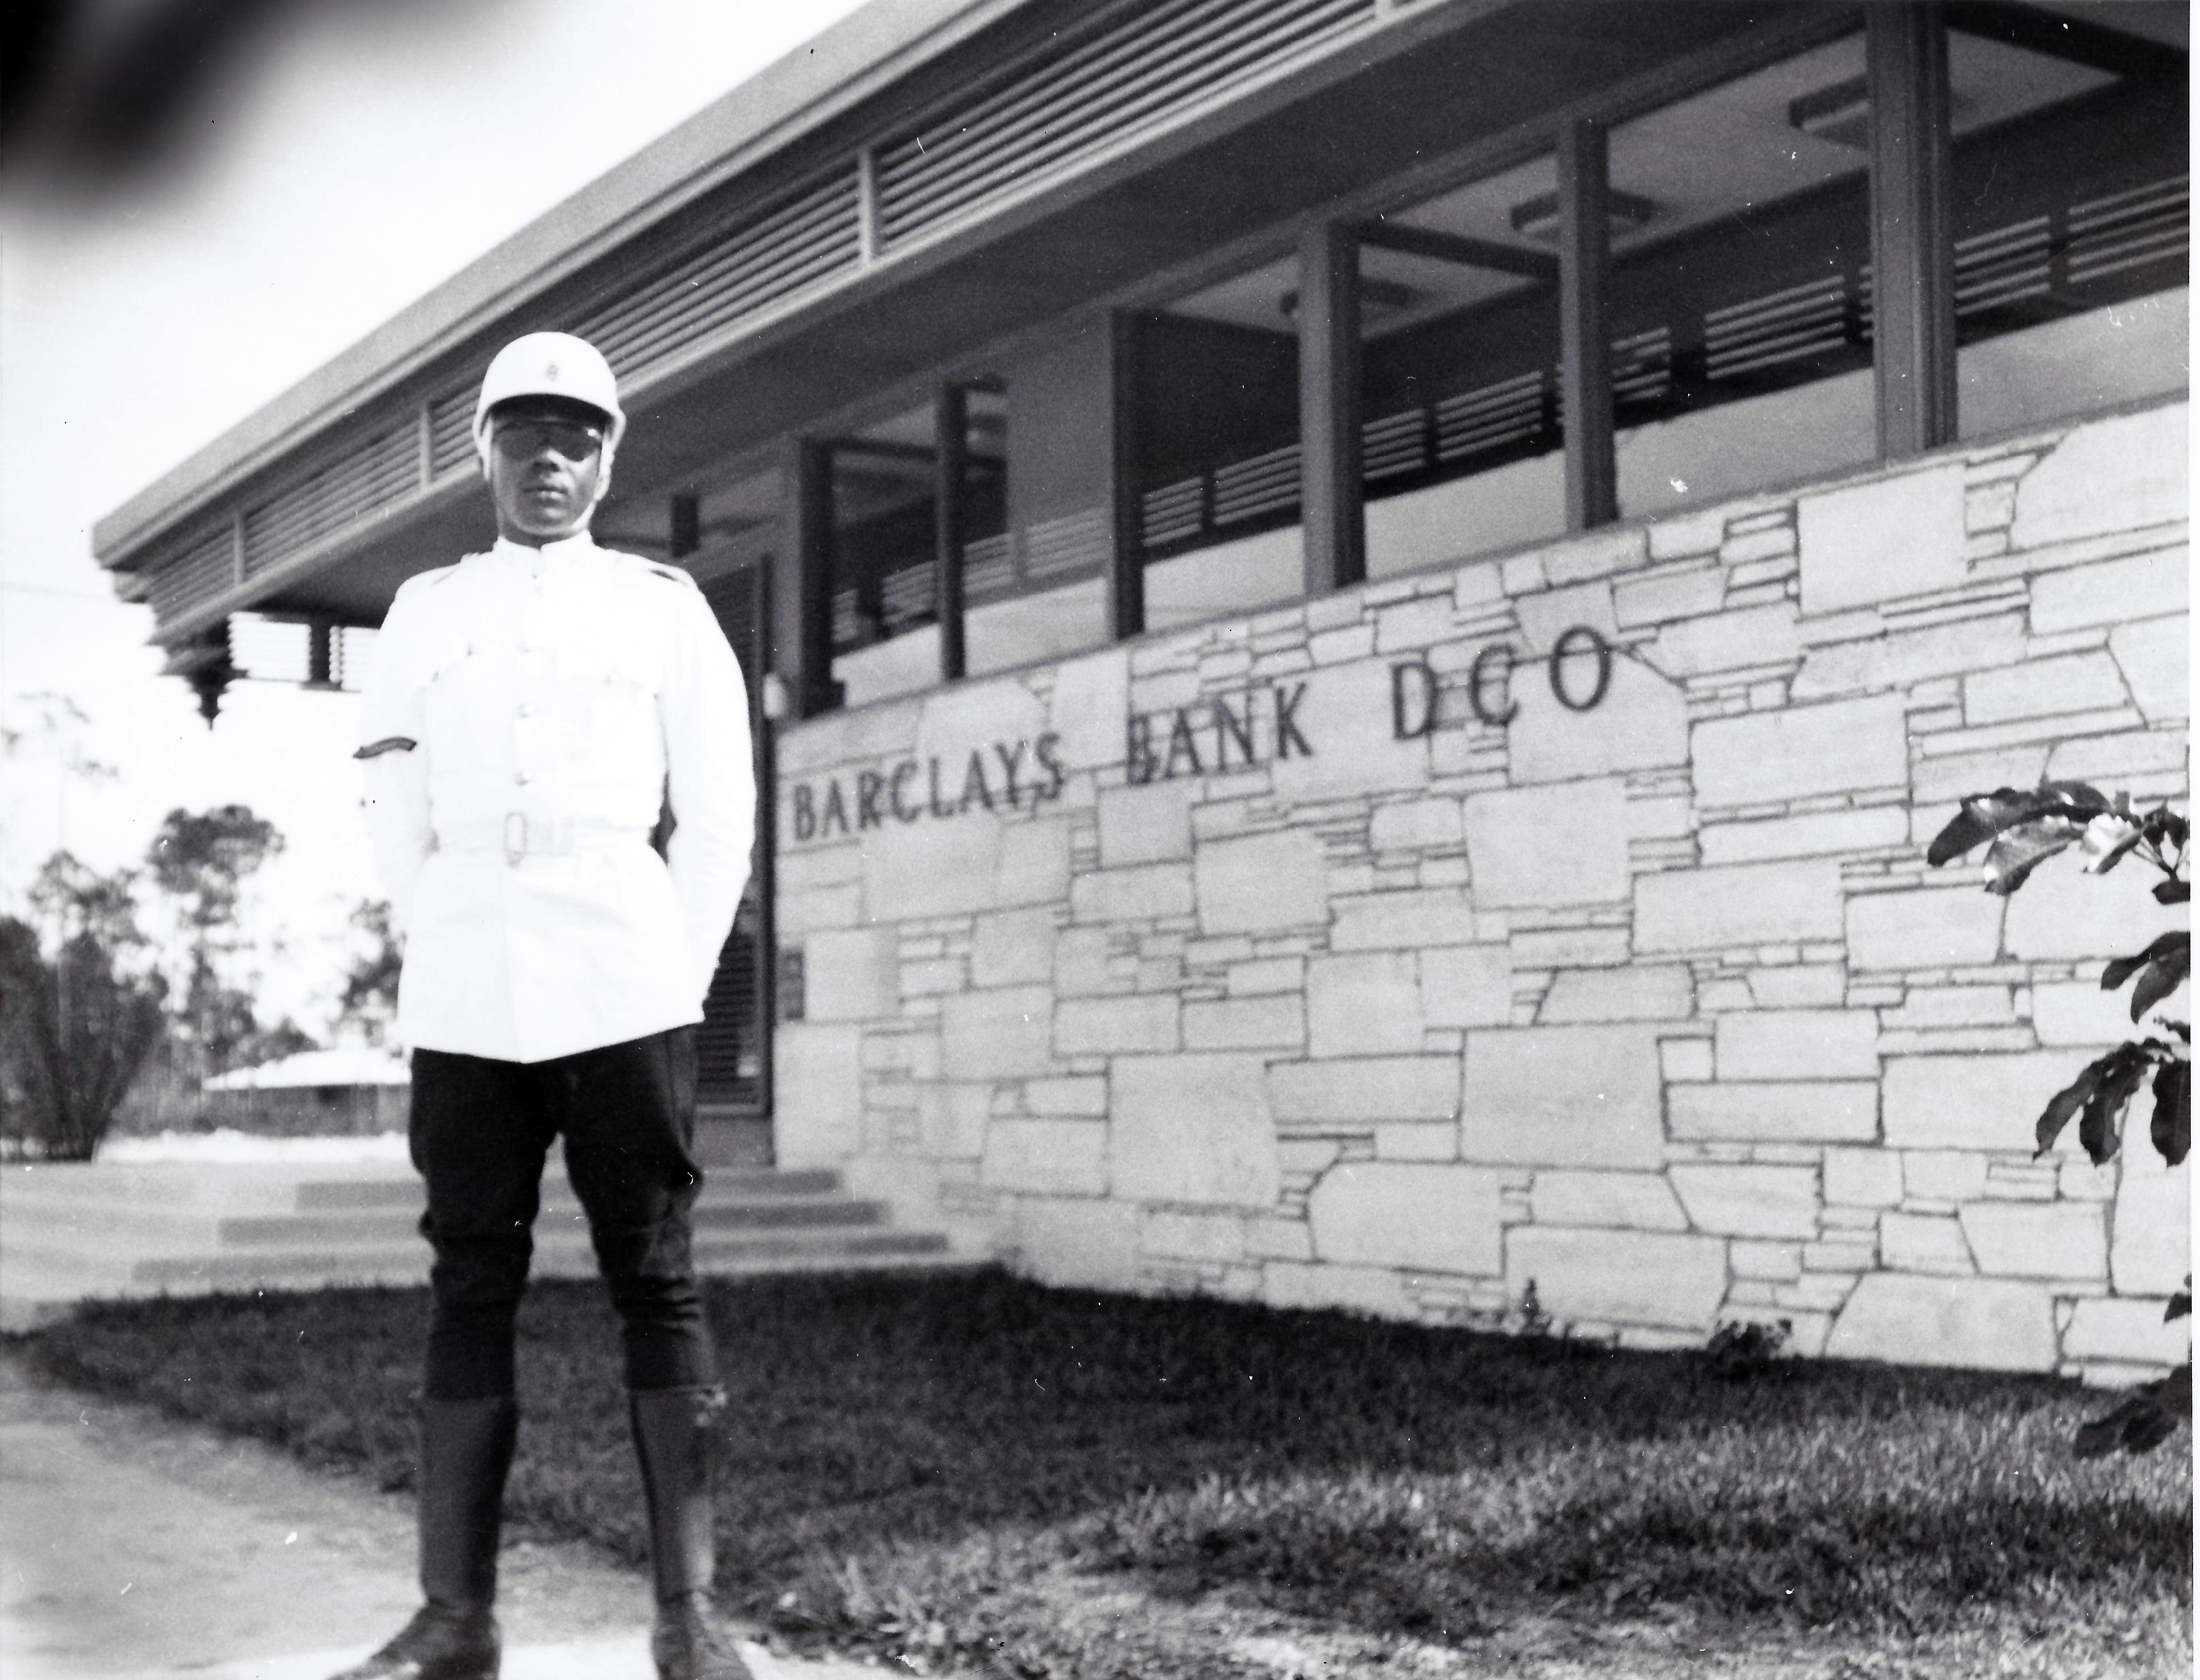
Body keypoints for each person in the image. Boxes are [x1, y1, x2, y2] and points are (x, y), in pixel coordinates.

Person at [341, 332, 758, 1680]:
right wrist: (444, 924)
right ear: (484, 450)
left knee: (658, 1274)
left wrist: (670, 973)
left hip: (622, 972)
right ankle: (456, 1622)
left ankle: (686, 1620)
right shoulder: (425, 609)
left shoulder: (660, 606)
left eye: (576, 436)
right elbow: (391, 803)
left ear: (609, 455)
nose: (550, 459)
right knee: (471, 1275)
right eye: (523, 433)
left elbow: (720, 812)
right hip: (469, 978)